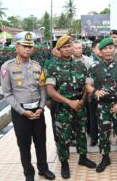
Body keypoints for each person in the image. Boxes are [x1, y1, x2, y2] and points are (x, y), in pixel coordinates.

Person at [0, 31, 55, 181]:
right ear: (16, 47)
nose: (28, 49)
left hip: (37, 111)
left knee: (41, 142)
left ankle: (43, 169)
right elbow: (8, 94)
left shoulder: (37, 66)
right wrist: (23, 111)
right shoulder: (7, 67)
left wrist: (41, 107)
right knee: (24, 145)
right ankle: (28, 174)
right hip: (20, 113)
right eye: (24, 46)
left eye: (30, 46)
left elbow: (42, 89)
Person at [46, 35, 96, 179]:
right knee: (64, 137)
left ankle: (83, 157)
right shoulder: (53, 66)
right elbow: (50, 90)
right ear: (59, 49)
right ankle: (64, 163)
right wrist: (69, 102)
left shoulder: (80, 65)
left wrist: (82, 100)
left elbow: (87, 85)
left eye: (70, 46)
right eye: (65, 47)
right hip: (63, 108)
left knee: (81, 133)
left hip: (80, 106)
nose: (68, 49)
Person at [85, 37, 117, 173]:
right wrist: (95, 91)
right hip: (103, 106)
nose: (108, 51)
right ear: (100, 51)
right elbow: (87, 85)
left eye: (110, 48)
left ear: (114, 49)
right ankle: (105, 158)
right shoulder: (94, 67)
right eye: (105, 48)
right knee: (103, 132)